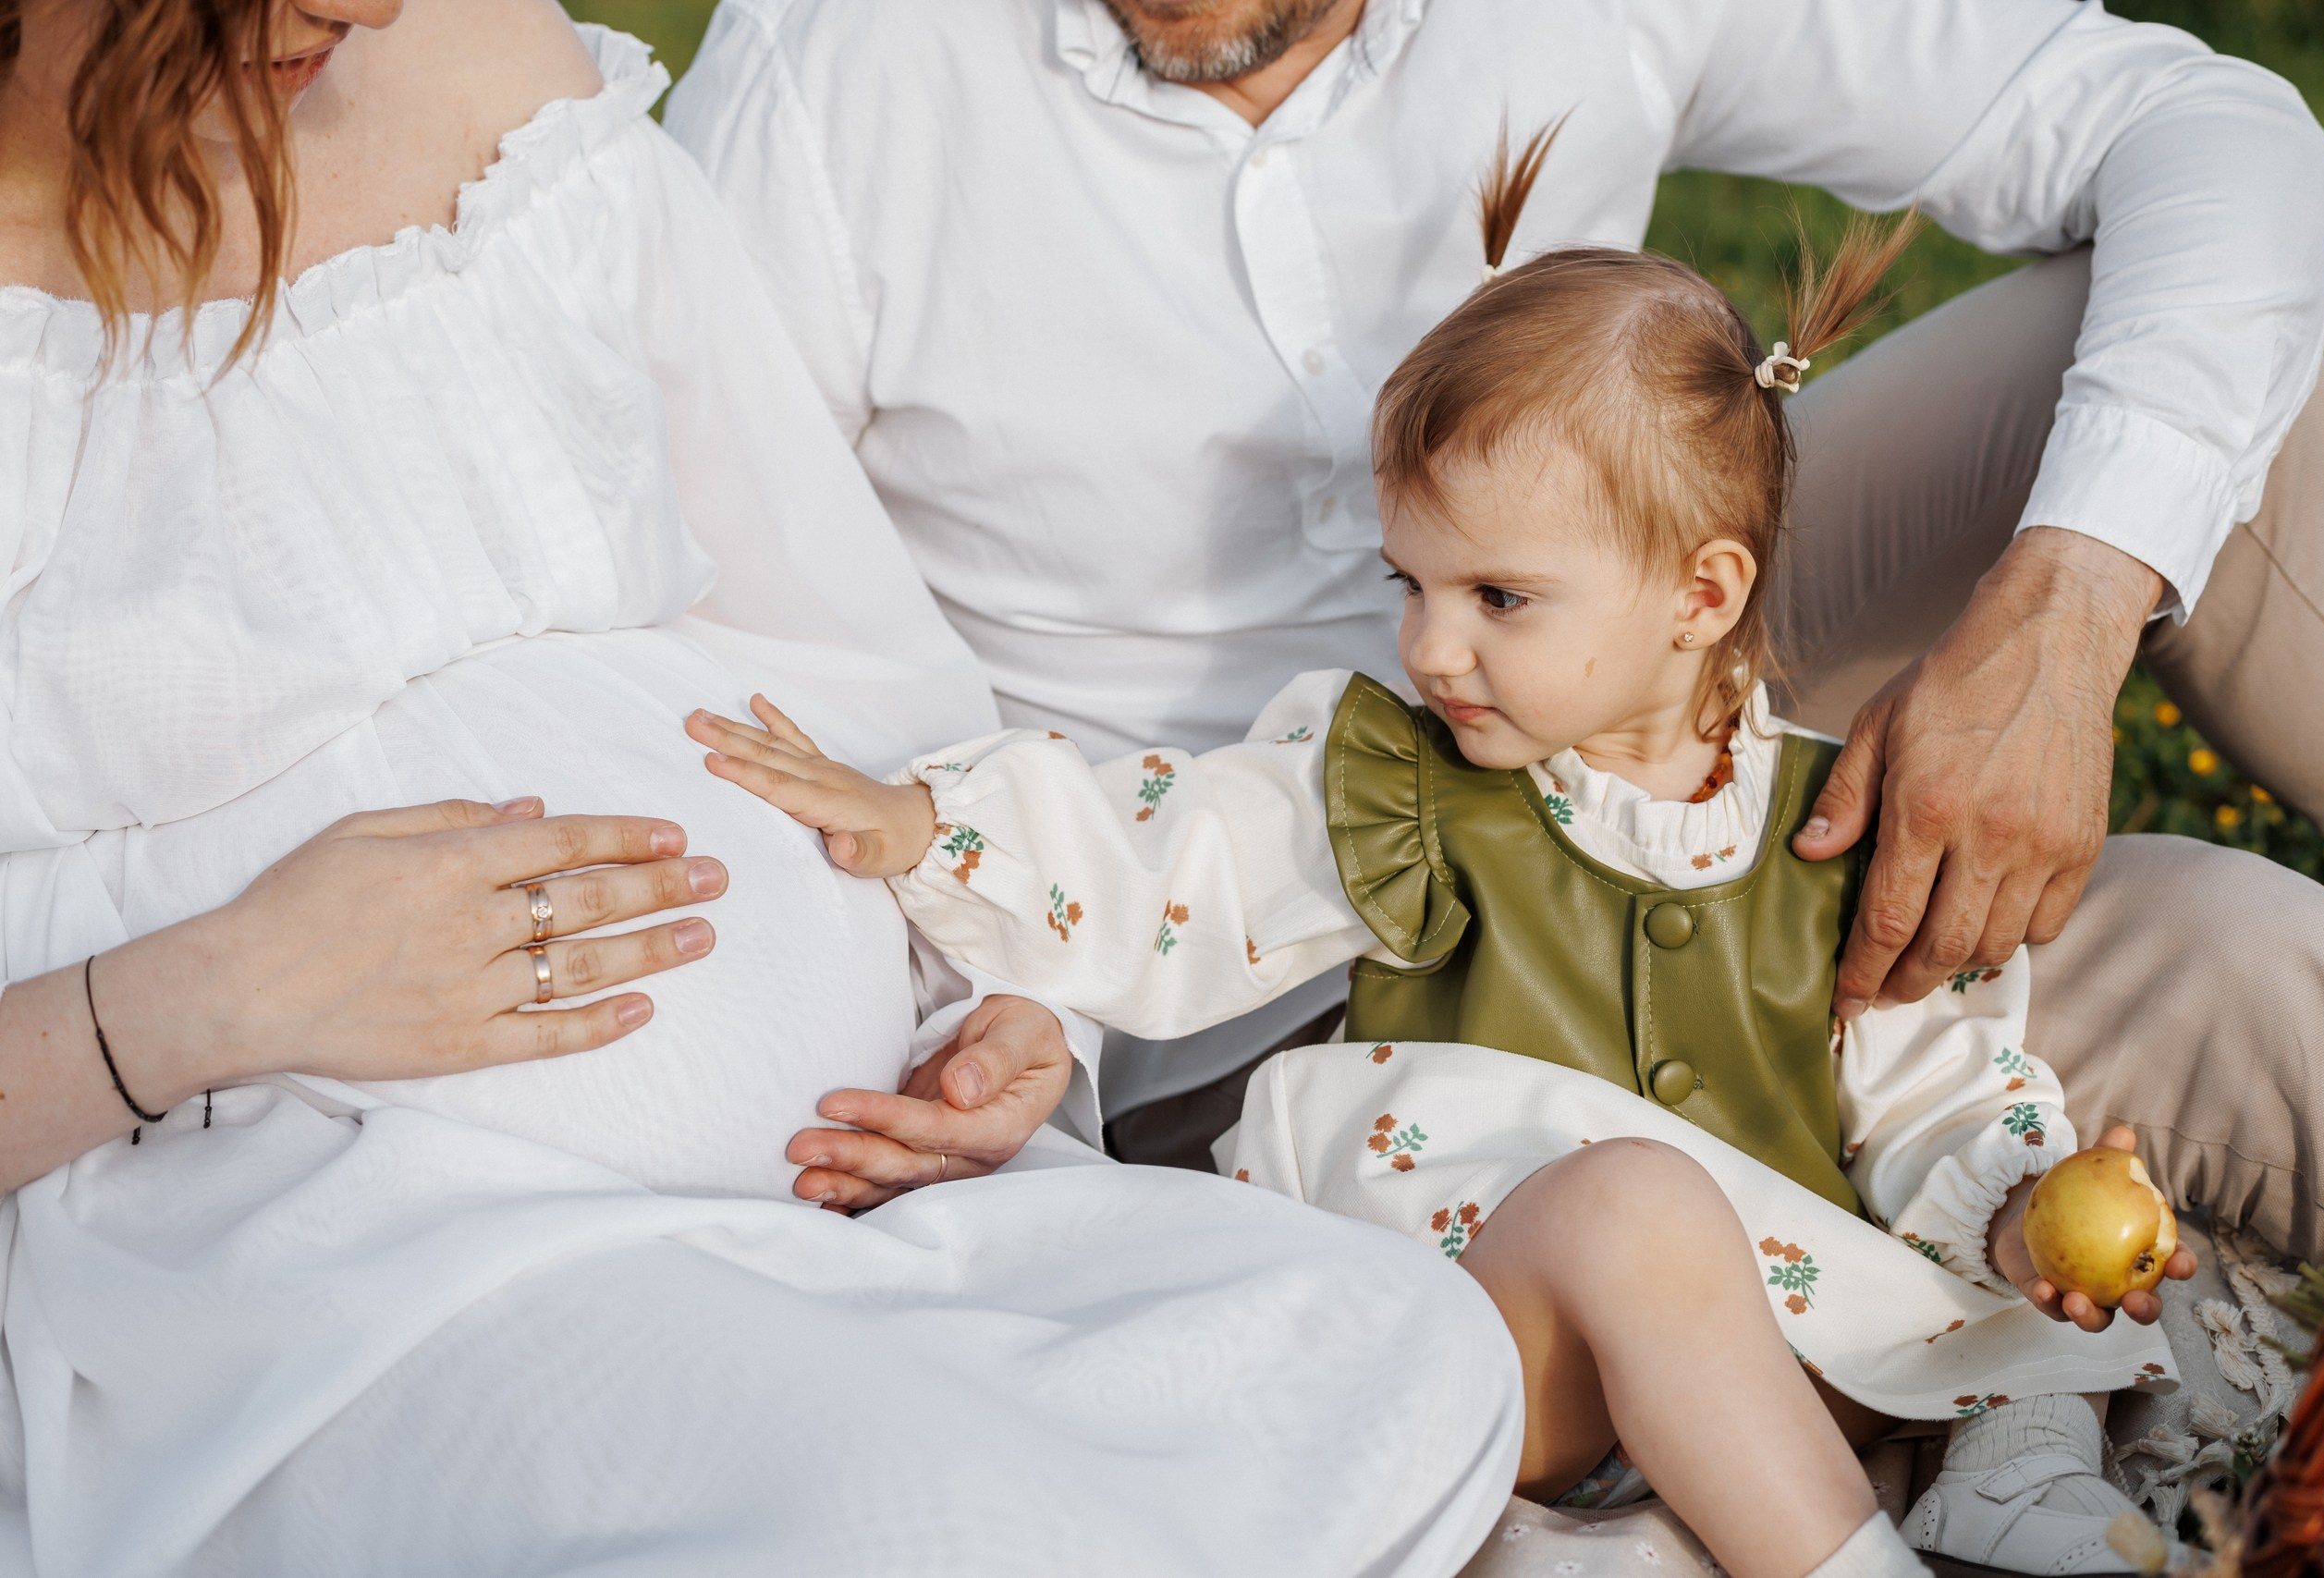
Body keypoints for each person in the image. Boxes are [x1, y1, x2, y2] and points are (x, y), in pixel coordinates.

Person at [0, 3, 1523, 1573]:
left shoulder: (479, 58)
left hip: (856, 1189)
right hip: (368, 1253)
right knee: (931, 1521)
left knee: (1398, 1349)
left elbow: (846, 655)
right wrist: (207, 995)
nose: (370, 6)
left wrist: (988, 1010)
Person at [691, 161, 2217, 1574]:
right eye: (1409, 583)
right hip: (1502, 1341)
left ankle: (1995, 1475)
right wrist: (930, 825)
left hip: (1775, 1354)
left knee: (1998, 1338)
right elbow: (1175, 858)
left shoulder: (1831, 834)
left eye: (1499, 596)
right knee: (1632, 1207)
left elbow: (1940, 1091)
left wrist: (2022, 1220)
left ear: (1701, 593)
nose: (1430, 646)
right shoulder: (1397, 792)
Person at [667, 0, 2324, 1264]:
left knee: (2199, 382)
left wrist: (2063, 616)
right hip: (1229, 942)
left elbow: (2201, 126)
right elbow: (726, 645)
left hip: (1645, 706)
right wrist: (1015, 1016)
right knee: (2228, 949)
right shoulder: (835, 70)